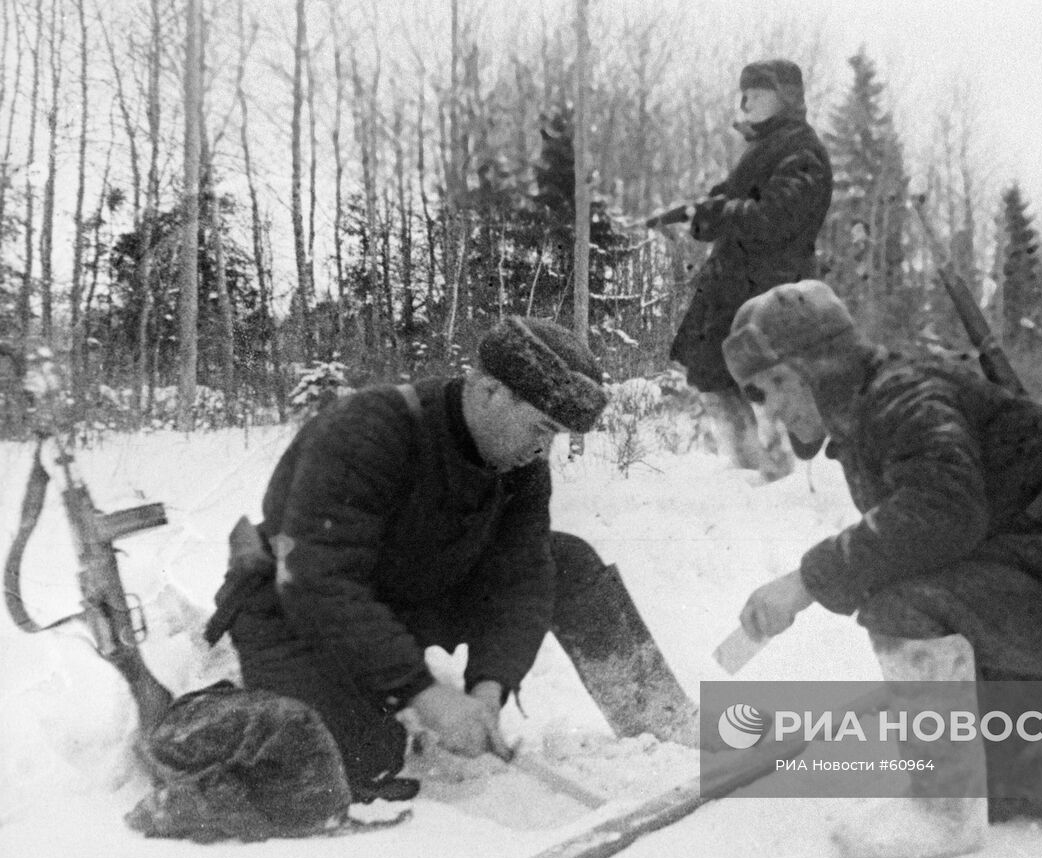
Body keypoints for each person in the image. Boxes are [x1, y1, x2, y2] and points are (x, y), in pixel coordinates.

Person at [722, 281, 1042, 858]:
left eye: (779, 384)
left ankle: (944, 811)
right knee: (1010, 773)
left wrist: (807, 582)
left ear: (823, 365)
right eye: (759, 395)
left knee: (898, 603)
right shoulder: (876, 407)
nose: (773, 408)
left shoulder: (905, 397)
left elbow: (942, 514)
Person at [204, 316, 690, 804]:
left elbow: (522, 578)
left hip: (407, 593)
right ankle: (215, 708)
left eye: (556, 435)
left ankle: (665, 723)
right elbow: (319, 581)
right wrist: (423, 693)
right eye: (541, 427)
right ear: (489, 390)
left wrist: (489, 688)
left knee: (564, 559)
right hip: (296, 608)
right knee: (351, 765)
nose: (544, 448)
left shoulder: (521, 466)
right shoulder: (368, 430)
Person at [668, 58, 833, 479]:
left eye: (757, 93)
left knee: (765, 382)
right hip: (736, 287)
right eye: (744, 93)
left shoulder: (801, 149)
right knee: (714, 377)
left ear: (786, 98)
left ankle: (780, 472)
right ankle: (751, 470)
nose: (745, 102)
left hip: (770, 291)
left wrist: (721, 211)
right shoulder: (764, 148)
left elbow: (778, 216)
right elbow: (729, 202)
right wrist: (699, 213)